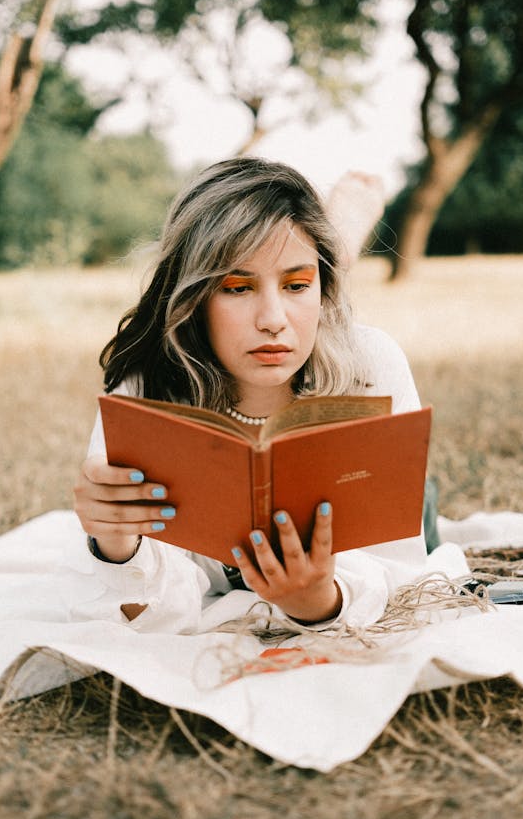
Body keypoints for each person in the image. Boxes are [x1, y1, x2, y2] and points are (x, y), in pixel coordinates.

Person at [74, 157, 430, 633]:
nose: (272, 319)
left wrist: (320, 600)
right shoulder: (144, 388)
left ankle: (335, 246)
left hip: (386, 499)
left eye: (298, 284)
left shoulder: (371, 367)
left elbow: (404, 573)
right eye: (237, 287)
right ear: (193, 296)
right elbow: (140, 617)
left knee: (423, 503)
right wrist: (116, 547)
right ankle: (330, 243)